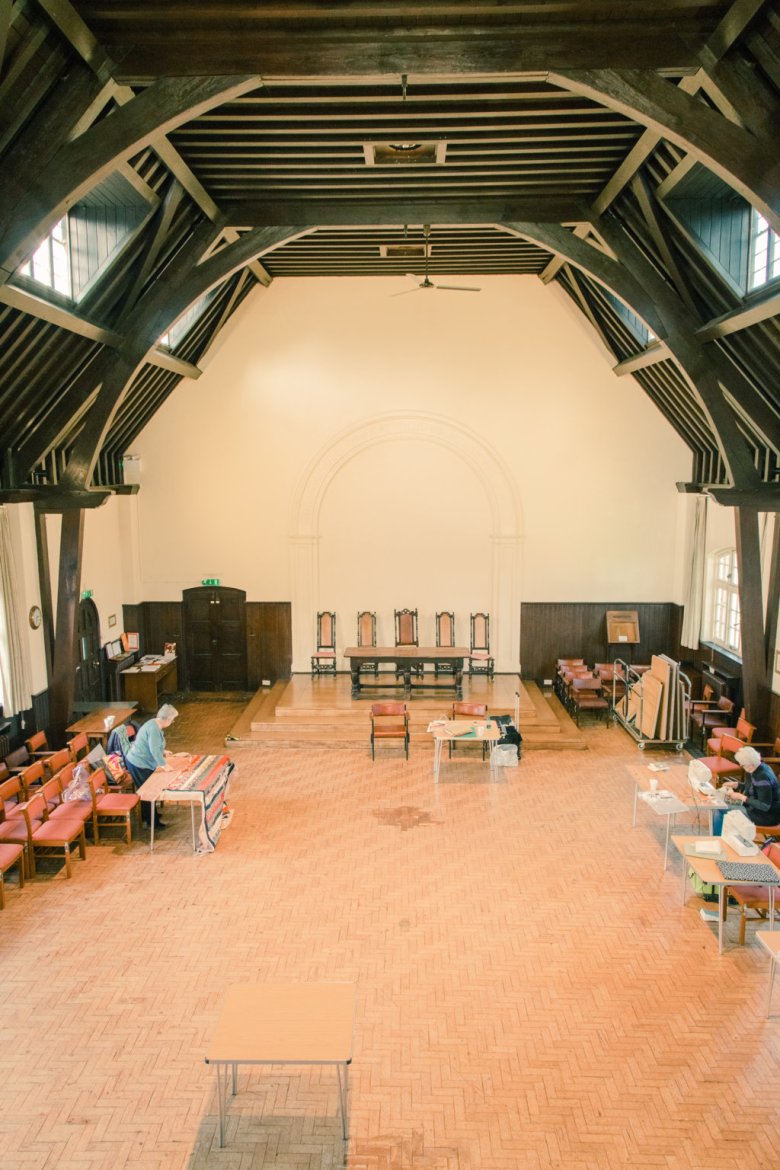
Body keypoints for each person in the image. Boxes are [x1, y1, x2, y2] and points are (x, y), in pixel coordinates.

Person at [125, 704, 179, 828]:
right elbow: (154, 749)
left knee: (146, 789)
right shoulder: (154, 728)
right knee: (148, 791)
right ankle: (152, 822)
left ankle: (148, 815)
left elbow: (151, 745)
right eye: (172, 720)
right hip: (138, 763)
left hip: (139, 761)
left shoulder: (154, 723)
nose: (172, 722)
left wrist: (163, 752)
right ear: (167, 719)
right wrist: (164, 765)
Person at [722, 745, 780, 826]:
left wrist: (741, 797)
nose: (741, 766)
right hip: (756, 808)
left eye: (742, 765)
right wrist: (736, 785)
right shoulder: (756, 767)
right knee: (723, 804)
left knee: (723, 809)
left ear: (750, 765)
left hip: (767, 816)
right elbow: (754, 788)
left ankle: (727, 837)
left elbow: (764, 806)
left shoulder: (763, 776)